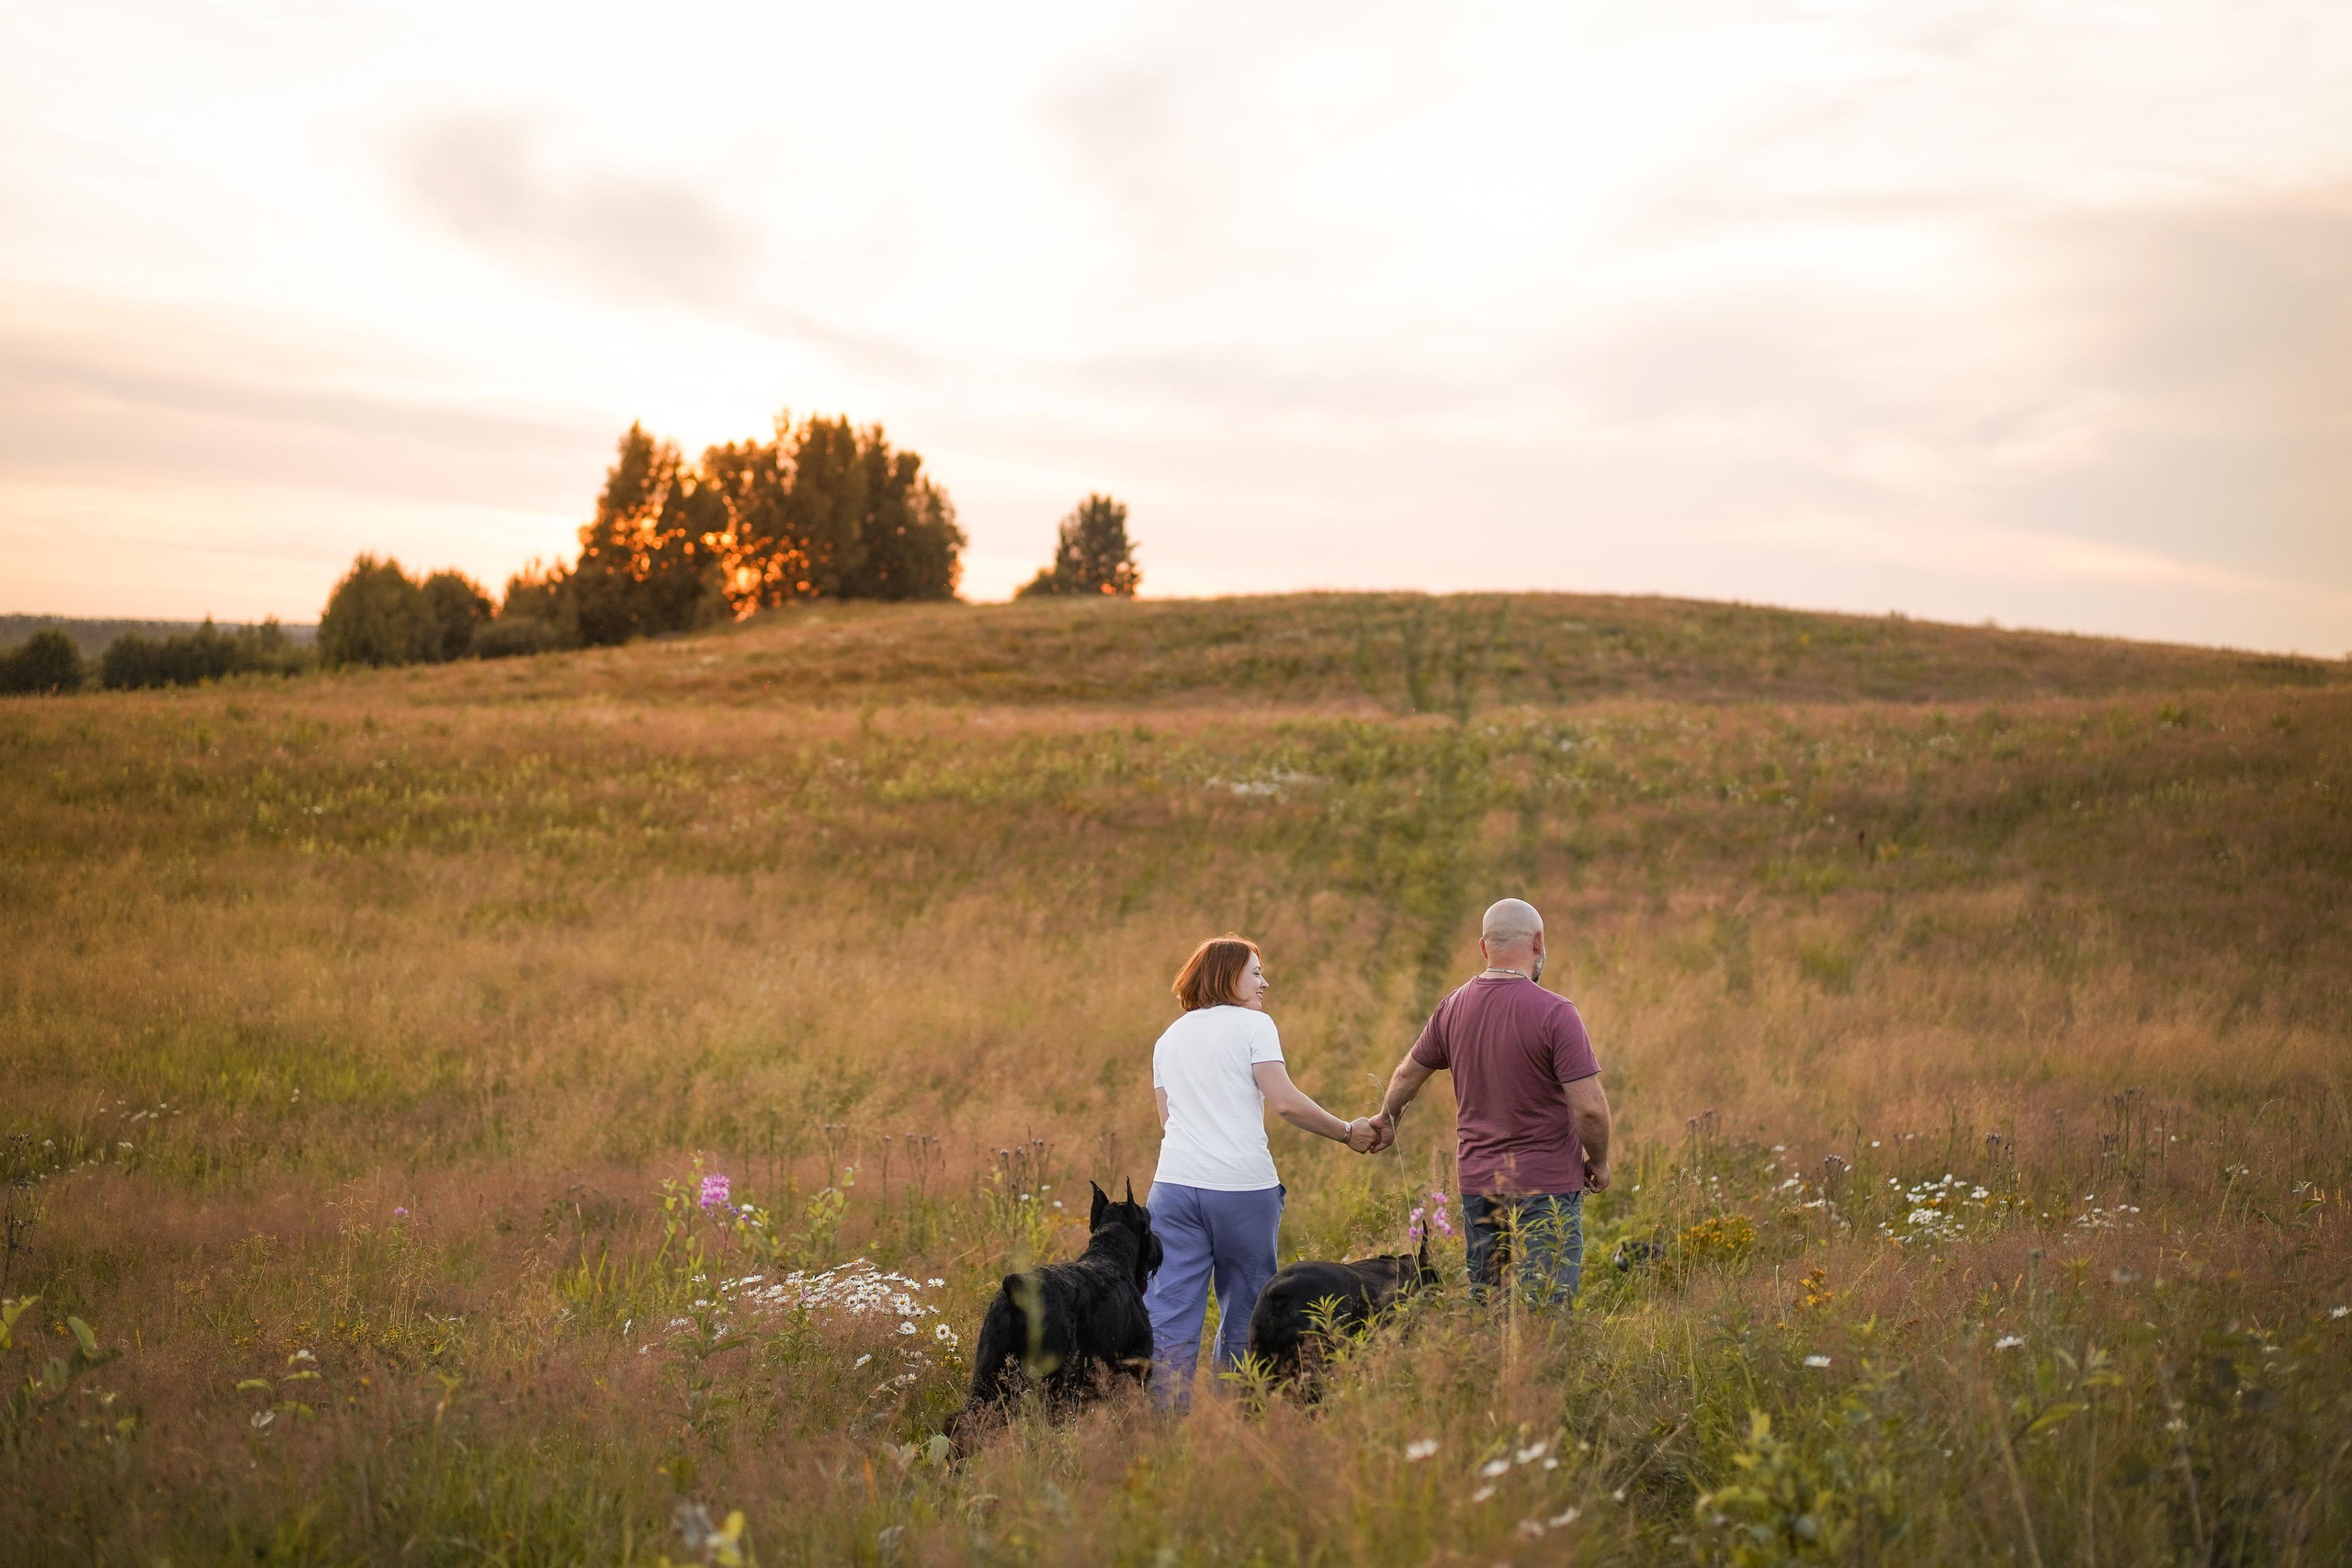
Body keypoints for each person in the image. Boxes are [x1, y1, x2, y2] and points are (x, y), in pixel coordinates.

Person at [1145, 934, 1377, 1405]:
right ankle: (1235, 1421)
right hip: (1240, 1189)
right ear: (1229, 976)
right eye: (1256, 972)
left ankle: (1162, 1429)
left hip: (1171, 1188)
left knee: (1168, 1312)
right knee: (1246, 1308)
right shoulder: (1254, 1026)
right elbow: (1287, 1103)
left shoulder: (1168, 1038)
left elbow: (1169, 1122)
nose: (1264, 982)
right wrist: (1347, 1131)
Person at [1368, 898, 1611, 1304]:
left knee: (1489, 1303)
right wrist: (1599, 1161)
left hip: (1480, 1183)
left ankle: (1492, 1367)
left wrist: (1387, 1119)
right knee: (1545, 1308)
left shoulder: (1452, 1007)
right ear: (1539, 943)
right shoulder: (1556, 1012)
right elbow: (1588, 1108)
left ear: (1484, 948)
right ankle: (1535, 1368)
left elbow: (1408, 1073)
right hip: (1547, 1185)